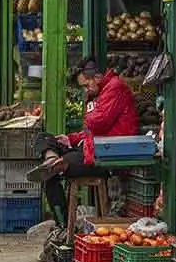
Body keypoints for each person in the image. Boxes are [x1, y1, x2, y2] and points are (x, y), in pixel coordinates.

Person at [32, 58, 138, 227]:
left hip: (102, 154)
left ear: (96, 77)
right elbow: (92, 129)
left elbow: (98, 122)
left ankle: (64, 225)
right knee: (44, 137)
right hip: (89, 146)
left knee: (51, 176)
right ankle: (51, 159)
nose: (86, 89)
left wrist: (90, 107)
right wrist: (72, 139)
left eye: (86, 85)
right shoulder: (100, 93)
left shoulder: (115, 87)